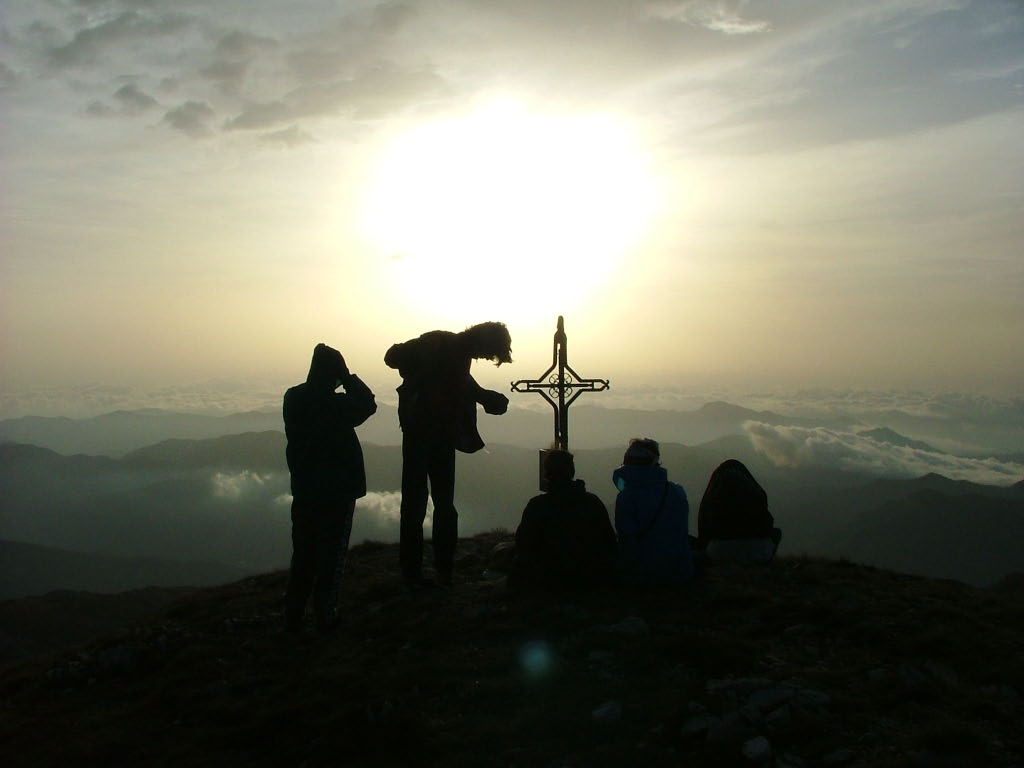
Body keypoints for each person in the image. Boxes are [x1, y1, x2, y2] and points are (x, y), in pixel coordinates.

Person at [385, 322, 511, 587]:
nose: (486, 358)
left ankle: (432, 570)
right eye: (489, 353)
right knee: (423, 504)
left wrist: (484, 397)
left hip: (437, 435)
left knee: (430, 504)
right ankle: (424, 571)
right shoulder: (439, 343)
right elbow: (392, 356)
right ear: (482, 342)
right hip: (424, 434)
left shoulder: (456, 352)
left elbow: (460, 382)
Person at [283, 343, 377, 632]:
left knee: (303, 556)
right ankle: (325, 618)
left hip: (305, 490)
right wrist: (348, 377)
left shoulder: (294, 398)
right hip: (337, 492)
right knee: (331, 558)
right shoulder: (336, 406)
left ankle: (293, 618)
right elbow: (368, 403)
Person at [511, 450, 616, 591]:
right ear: (571, 472)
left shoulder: (537, 506)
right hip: (589, 579)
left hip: (547, 581)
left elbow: (523, 544)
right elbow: (609, 542)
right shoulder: (592, 502)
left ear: (547, 474)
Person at [612, 437, 693, 586]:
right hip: (679, 573)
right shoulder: (677, 492)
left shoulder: (626, 498)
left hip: (643, 576)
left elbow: (628, 542)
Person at [696, 459, 781, 565]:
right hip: (761, 554)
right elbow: (768, 522)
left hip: (719, 554)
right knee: (776, 533)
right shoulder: (756, 494)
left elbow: (703, 525)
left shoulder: (716, 492)